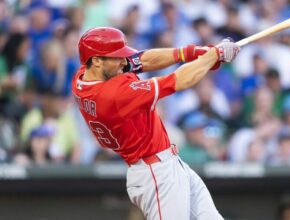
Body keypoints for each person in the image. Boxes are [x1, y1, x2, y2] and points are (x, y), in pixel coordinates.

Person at [72, 27, 240, 220]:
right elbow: (179, 80)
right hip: (155, 174)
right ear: (97, 60)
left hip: (166, 164)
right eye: (116, 57)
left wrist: (191, 53)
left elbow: (141, 60)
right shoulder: (114, 96)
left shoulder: (84, 75)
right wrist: (213, 55)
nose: (124, 61)